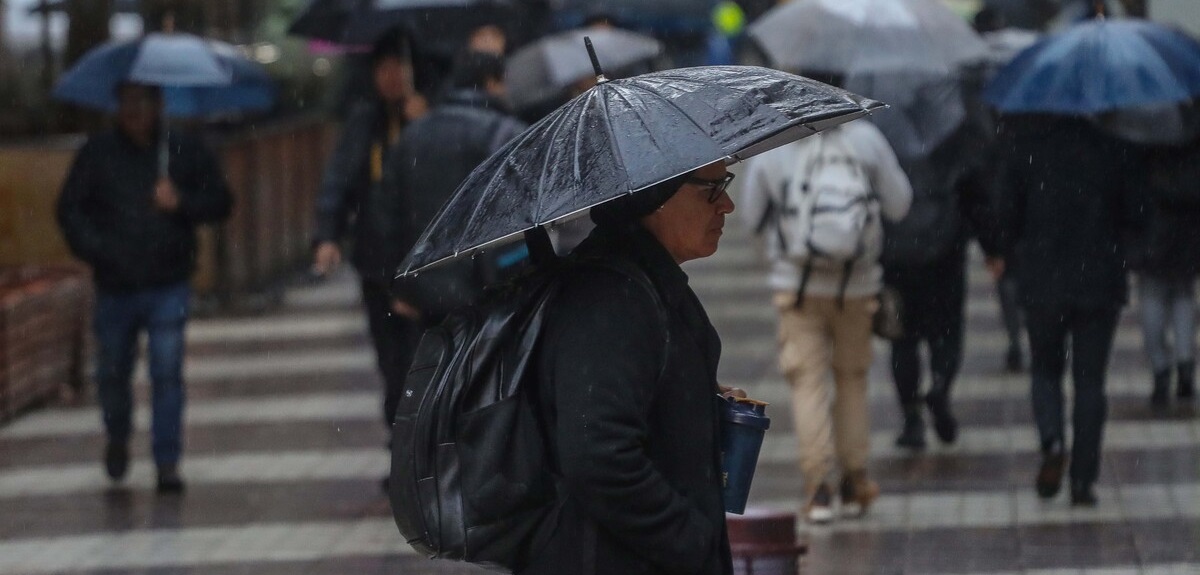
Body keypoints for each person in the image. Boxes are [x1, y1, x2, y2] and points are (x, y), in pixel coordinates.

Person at [522, 161, 738, 575]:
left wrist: (696, 399)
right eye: (711, 189)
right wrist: (689, 538)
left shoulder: (643, 278)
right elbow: (598, 454)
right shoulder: (612, 296)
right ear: (654, 197)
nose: (726, 204)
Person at [57, 82, 233, 493]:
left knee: (166, 372)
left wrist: (181, 202)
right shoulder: (97, 153)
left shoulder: (181, 150)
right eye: (127, 102)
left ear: (158, 104)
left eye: (143, 101)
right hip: (115, 284)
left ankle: (167, 460)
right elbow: (70, 210)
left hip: (167, 281)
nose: (134, 111)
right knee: (113, 372)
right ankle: (117, 434)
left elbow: (221, 201)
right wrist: (98, 249)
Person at [741, 122, 912, 523]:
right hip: (857, 286)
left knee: (807, 383)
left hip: (797, 287)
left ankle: (818, 489)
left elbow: (751, 216)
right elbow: (900, 204)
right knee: (852, 380)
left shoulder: (777, 141)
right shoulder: (867, 137)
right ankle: (855, 481)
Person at [995, 114, 1147, 506]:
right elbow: (1139, 212)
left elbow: (1005, 213)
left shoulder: (1027, 145)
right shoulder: (1115, 147)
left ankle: (1052, 438)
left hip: (1042, 280)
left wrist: (1009, 252)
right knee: (1090, 381)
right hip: (1099, 281)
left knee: (1045, 369)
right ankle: (1083, 479)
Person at [311, 32, 427, 451]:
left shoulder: (429, 117)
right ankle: (400, 444)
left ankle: (420, 444)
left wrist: (423, 123)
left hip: (423, 260)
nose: (393, 78)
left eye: (400, 68)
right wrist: (327, 235)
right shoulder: (364, 122)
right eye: (384, 70)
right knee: (392, 361)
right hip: (378, 263)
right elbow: (338, 181)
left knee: (424, 359)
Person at [881, 120, 1004, 451]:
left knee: (902, 339)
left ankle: (911, 419)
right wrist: (992, 247)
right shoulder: (955, 130)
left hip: (896, 252)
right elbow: (974, 194)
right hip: (944, 251)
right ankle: (940, 385)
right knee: (946, 331)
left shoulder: (883, 130)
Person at [382, 50, 527, 322]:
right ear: (491, 82)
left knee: (434, 362)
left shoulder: (411, 136)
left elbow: (387, 218)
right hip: (492, 286)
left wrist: (398, 287)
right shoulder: (506, 133)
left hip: (426, 287)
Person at [1133, 137, 1200, 407]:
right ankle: (1184, 362)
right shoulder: (1193, 126)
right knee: (1183, 295)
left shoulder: (1141, 131)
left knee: (1152, 296)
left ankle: (1160, 366)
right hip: (1189, 228)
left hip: (1153, 230)